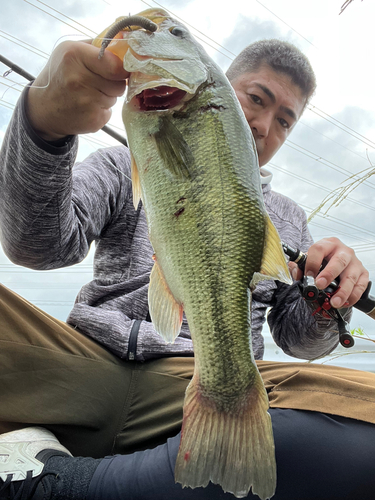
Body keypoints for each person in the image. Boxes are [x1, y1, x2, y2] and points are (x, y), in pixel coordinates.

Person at [0, 12, 373, 499]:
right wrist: (44, 131)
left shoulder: (286, 216)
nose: (262, 126)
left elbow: (299, 341)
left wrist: (331, 299)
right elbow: (39, 244)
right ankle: (162, 477)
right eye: (255, 99)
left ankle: (62, 482)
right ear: (219, 83)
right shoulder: (120, 161)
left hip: (193, 383)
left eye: (285, 120)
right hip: (84, 362)